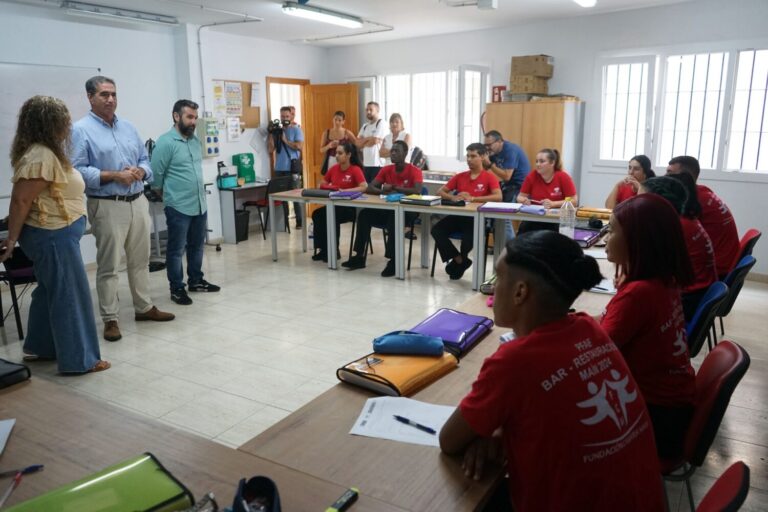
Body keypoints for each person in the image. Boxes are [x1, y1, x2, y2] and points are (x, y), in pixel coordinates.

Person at [440, 231, 665, 512]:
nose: (493, 289)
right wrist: (497, 430)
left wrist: (486, 430)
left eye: (498, 278)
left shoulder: (513, 362)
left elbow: (448, 441)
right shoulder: (589, 327)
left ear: (520, 292)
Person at [0, 96, 110, 374]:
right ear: (50, 124)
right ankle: (79, 360)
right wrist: (11, 241)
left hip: (55, 235)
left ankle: (38, 346)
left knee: (51, 291)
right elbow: (20, 201)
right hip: (52, 236)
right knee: (70, 295)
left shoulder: (45, 152)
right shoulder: (40, 155)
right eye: (63, 120)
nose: (67, 125)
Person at [71, 75, 174, 343]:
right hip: (107, 205)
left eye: (114, 94)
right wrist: (115, 175)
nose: (111, 99)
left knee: (140, 261)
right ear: (90, 98)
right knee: (109, 266)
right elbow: (77, 171)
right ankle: (110, 319)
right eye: (104, 95)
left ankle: (144, 307)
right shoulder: (80, 130)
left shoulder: (128, 127)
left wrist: (141, 170)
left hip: (138, 201)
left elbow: (145, 159)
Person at [600, 193, 696, 459]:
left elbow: (594, 354)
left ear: (639, 241)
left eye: (613, 231)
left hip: (654, 417)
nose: (606, 239)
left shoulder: (639, 294)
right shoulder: (664, 279)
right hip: (673, 407)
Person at [150, 99, 220, 306]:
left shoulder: (194, 141)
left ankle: (196, 280)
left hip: (199, 203)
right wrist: (169, 197)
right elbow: (156, 178)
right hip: (178, 206)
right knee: (176, 249)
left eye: (195, 118)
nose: (193, 122)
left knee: (197, 245)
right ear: (176, 116)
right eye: (189, 117)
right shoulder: (165, 142)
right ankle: (177, 288)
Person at [342, 140, 422, 277]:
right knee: (364, 215)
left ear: (405, 153)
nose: (393, 153)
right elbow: (370, 187)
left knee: (393, 217)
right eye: (392, 150)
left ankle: (393, 261)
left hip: (408, 212)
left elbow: (417, 190)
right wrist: (383, 192)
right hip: (388, 208)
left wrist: (395, 188)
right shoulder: (386, 169)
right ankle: (359, 257)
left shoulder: (415, 170)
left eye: (397, 151)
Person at [432, 143, 502, 280]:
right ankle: (459, 259)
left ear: (482, 157)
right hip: (458, 216)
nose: (469, 159)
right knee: (436, 230)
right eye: (468, 156)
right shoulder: (460, 176)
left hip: (477, 219)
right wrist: (453, 197)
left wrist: (474, 198)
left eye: (473, 156)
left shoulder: (489, 177)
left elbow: (498, 197)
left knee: (468, 238)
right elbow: (440, 191)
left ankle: (462, 260)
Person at [656, 173, 718, 321]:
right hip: (700, 292)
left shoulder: (679, 224)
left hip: (689, 298)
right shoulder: (689, 218)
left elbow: (653, 266)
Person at [666, 155, 739, 278]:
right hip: (725, 261)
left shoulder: (693, 201)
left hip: (717, 268)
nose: (665, 177)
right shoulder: (701, 192)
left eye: (670, 173)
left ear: (684, 177)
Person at [311, 142, 368, 263]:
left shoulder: (355, 169)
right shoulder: (334, 169)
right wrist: (328, 186)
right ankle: (323, 249)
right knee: (317, 214)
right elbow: (322, 183)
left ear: (348, 155)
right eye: (336, 153)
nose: (336, 155)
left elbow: (364, 186)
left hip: (350, 208)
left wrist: (346, 191)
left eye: (340, 153)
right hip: (334, 204)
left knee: (332, 215)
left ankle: (333, 250)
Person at [516, 148, 578, 234]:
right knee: (523, 230)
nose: (538, 164)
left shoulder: (563, 177)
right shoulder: (532, 176)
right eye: (536, 161)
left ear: (552, 163)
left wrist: (553, 204)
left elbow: (573, 201)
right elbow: (520, 196)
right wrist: (524, 200)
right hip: (535, 218)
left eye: (542, 161)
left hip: (556, 219)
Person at [483, 130, 530, 240]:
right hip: (507, 185)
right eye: (486, 145)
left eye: (489, 145)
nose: (487, 148)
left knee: (504, 217)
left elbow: (507, 176)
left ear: (499, 141)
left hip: (519, 187)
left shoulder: (510, 150)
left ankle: (511, 249)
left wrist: (489, 164)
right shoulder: (493, 152)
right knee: (493, 214)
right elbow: (485, 168)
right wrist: (483, 159)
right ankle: (499, 248)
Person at [268, 105, 305, 228]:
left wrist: (285, 141)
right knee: (281, 198)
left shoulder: (296, 130)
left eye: (287, 116)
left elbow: (299, 146)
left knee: (295, 196)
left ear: (291, 116)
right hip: (279, 169)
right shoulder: (277, 131)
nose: (285, 119)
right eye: (282, 116)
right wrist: (271, 134)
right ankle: (284, 224)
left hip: (292, 169)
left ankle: (300, 222)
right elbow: (270, 149)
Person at [356, 101, 387, 183]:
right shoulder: (365, 126)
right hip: (366, 164)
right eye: (367, 110)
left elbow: (375, 140)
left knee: (375, 191)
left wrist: (364, 141)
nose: (368, 112)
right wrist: (369, 138)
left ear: (377, 110)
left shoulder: (381, 123)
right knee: (367, 191)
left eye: (371, 109)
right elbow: (357, 143)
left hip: (377, 164)